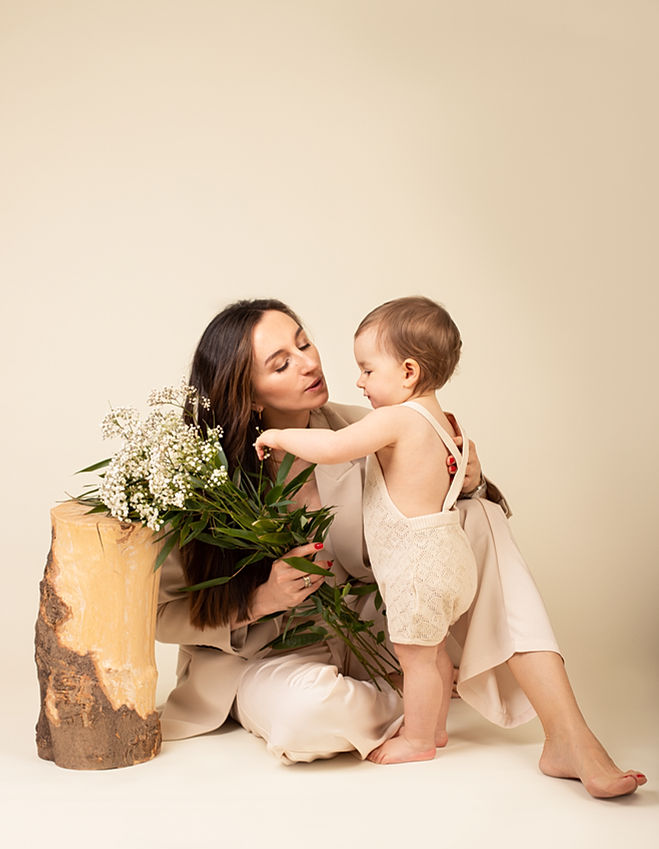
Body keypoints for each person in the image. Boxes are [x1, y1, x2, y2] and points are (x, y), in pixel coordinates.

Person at [156, 297, 646, 797]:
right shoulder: (197, 477)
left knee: (481, 518)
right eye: (282, 363)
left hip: (375, 631)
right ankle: (426, 696)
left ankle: (567, 734)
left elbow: (428, 511)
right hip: (270, 660)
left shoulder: (362, 425)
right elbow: (159, 613)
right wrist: (261, 598)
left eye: (304, 342)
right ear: (249, 396)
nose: (309, 363)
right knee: (308, 717)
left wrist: (470, 480)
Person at [254, 297, 478, 764]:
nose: (358, 381)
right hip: (450, 558)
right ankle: (434, 727)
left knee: (415, 656)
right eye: (282, 362)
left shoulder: (393, 419)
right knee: (430, 651)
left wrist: (275, 437)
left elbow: (334, 446)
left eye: (369, 371)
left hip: (418, 565)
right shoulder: (441, 421)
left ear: (409, 372)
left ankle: (417, 739)